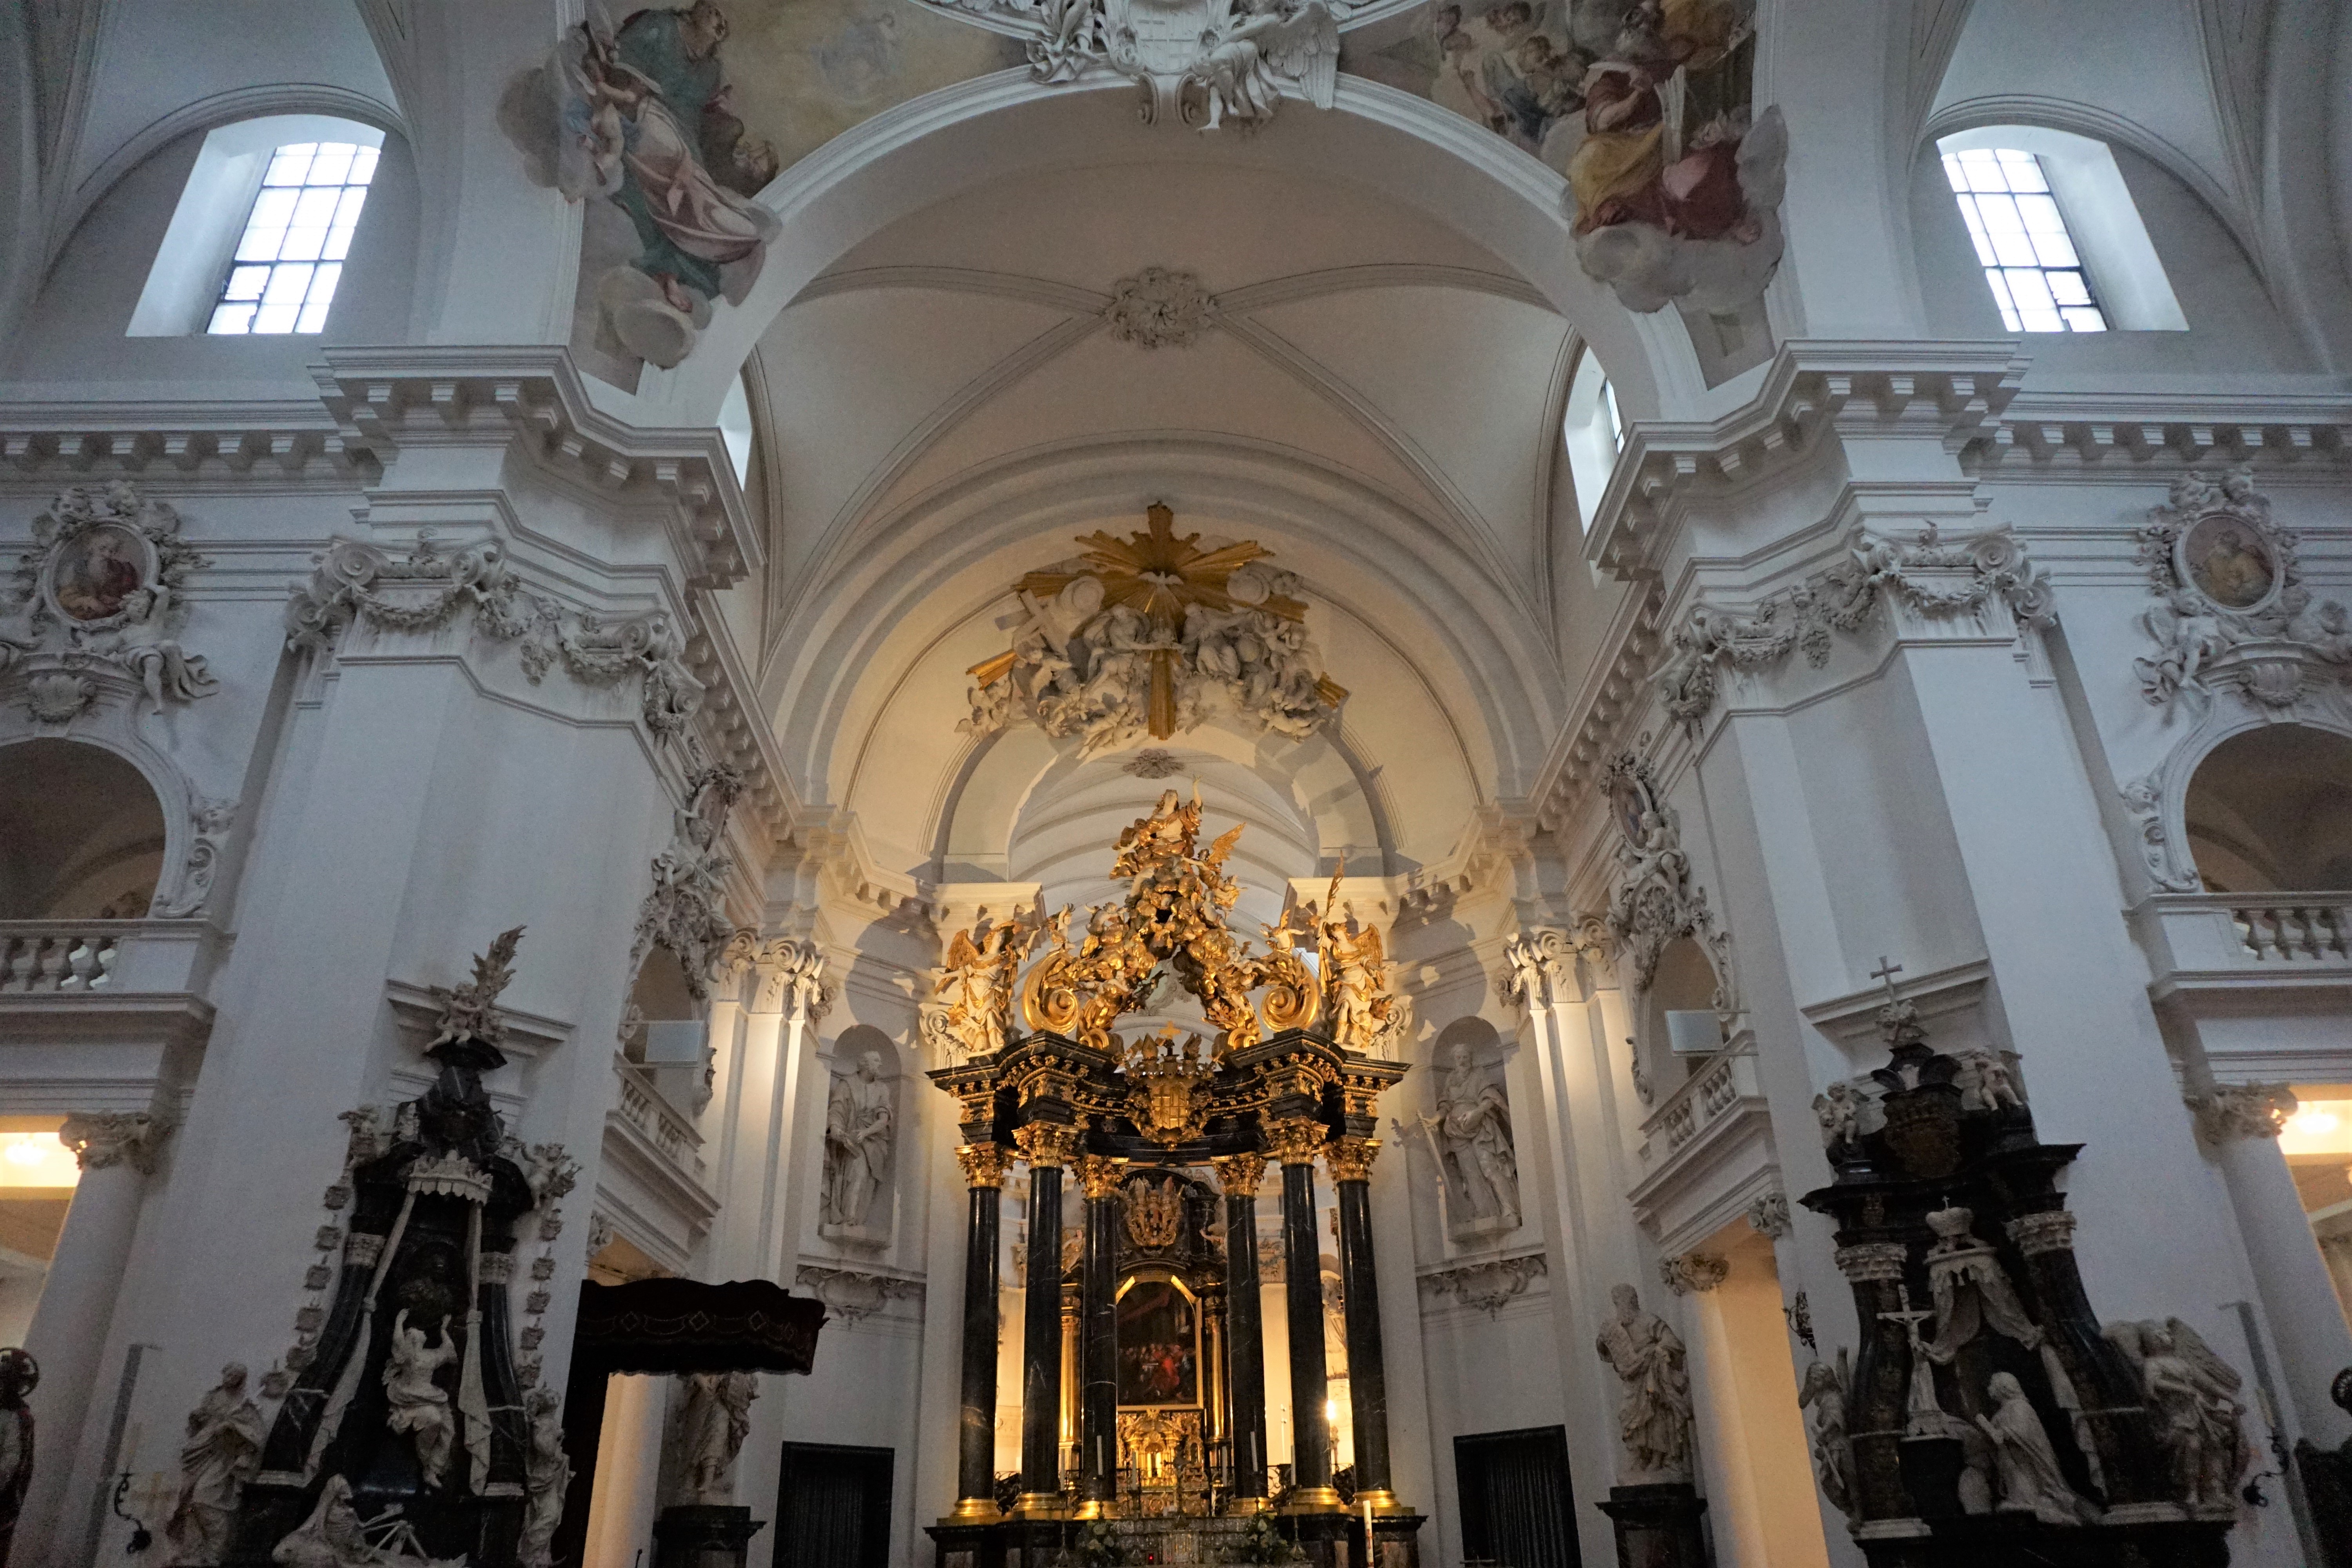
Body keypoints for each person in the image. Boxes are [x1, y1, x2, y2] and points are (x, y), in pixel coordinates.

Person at [167, 1364, 267, 1566]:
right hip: (201, 1452)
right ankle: (192, 1551)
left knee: (204, 1500)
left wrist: (232, 1426)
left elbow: (256, 1435)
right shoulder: (213, 1397)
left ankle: (215, 1553)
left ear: (240, 1380)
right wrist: (198, 1418)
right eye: (228, 1374)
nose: (229, 1379)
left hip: (224, 1459)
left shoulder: (244, 1405)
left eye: (234, 1376)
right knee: (189, 1502)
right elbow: (199, 1421)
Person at [1593, 1284, 1693, 1480]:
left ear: (1630, 1301)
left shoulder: (1650, 1320)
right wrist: (1603, 1342)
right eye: (1615, 1304)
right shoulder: (1618, 1327)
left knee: (1656, 1417)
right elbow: (1610, 1354)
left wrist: (1656, 1351)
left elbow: (1672, 1342)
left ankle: (1660, 1459)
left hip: (1653, 1377)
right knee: (1628, 1416)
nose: (1618, 1308)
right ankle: (1641, 1459)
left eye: (1619, 1303)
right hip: (1633, 1381)